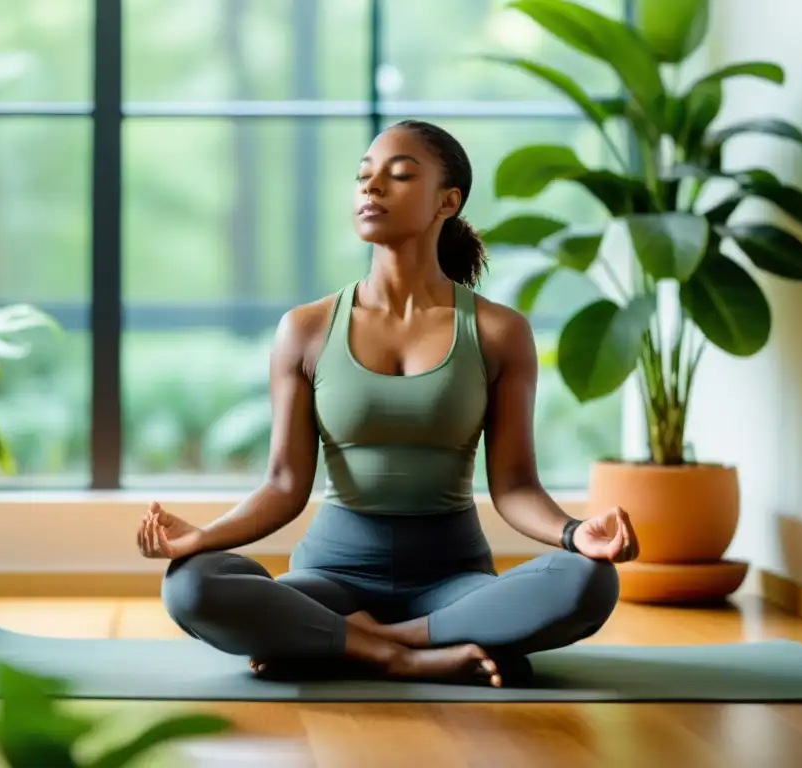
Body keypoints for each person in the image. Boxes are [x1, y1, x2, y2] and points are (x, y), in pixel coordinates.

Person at [136, 119, 639, 688]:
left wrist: (576, 535)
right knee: (191, 585)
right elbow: (283, 485)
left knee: (589, 582)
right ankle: (407, 655)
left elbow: (516, 486)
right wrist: (201, 538)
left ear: (447, 201)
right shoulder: (304, 328)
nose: (371, 189)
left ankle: (344, 641)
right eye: (363, 177)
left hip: (453, 581)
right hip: (330, 578)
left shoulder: (499, 332)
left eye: (399, 176)